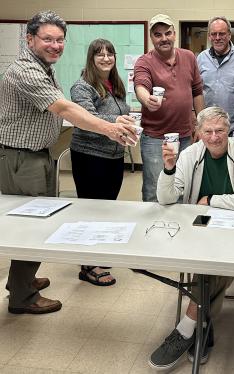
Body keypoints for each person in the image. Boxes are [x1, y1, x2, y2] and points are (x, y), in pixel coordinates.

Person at [0, 11, 137, 314]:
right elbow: (64, 107)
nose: (55, 45)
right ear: (30, 39)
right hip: (22, 158)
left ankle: (22, 280)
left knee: (37, 221)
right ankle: (21, 297)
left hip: (38, 155)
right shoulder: (27, 71)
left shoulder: (44, 68)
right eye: (47, 39)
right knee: (30, 227)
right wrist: (111, 127)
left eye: (60, 39)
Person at [148, 106, 234, 370]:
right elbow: (166, 199)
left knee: (215, 265)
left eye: (219, 130)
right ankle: (203, 326)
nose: (214, 137)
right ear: (198, 133)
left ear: (228, 130)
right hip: (199, 229)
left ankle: (187, 328)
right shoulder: (191, 154)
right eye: (207, 131)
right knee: (208, 265)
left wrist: (211, 200)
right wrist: (169, 169)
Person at [70, 39, 132, 286]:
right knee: (90, 210)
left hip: (113, 156)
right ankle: (87, 266)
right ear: (91, 58)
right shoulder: (82, 86)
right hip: (89, 156)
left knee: (107, 208)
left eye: (110, 53)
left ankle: (97, 252)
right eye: (100, 54)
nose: (106, 58)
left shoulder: (115, 84)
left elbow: (115, 117)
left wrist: (127, 122)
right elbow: (88, 118)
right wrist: (119, 120)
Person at [134, 14, 204, 202]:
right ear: (152, 38)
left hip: (184, 137)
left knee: (180, 186)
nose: (163, 38)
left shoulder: (189, 57)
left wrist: (200, 125)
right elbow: (140, 85)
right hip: (156, 138)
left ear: (174, 34)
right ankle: (152, 229)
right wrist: (146, 99)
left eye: (167, 33)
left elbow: (197, 92)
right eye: (158, 35)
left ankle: (176, 229)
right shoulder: (144, 61)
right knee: (155, 188)